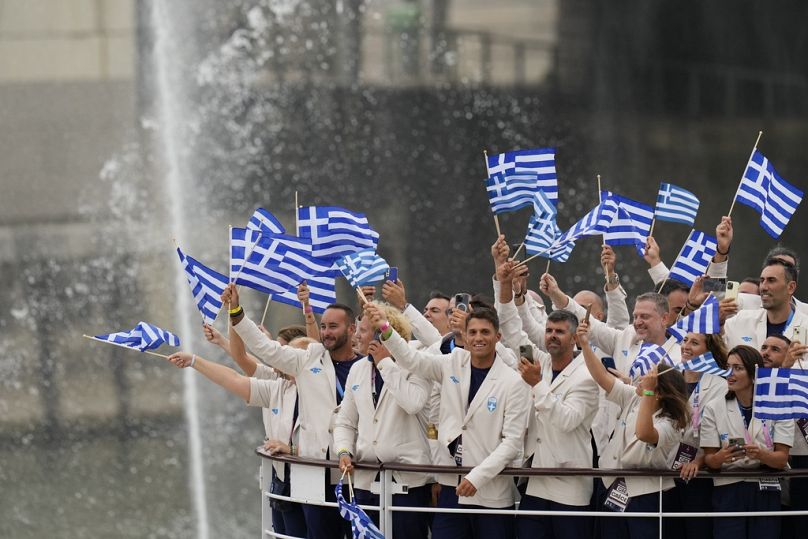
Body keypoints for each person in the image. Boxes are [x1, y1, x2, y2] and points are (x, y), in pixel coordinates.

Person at [365, 302, 529, 539]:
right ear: (464, 334)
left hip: (492, 492)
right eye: (472, 332)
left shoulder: (513, 381)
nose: (478, 338)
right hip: (452, 488)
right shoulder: (452, 361)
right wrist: (384, 327)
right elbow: (412, 360)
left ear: (497, 336)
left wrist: (476, 477)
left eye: (485, 332)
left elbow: (511, 442)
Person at [223, 283, 359, 539]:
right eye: (324, 326)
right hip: (315, 471)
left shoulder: (365, 366)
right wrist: (237, 312)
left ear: (351, 329)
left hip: (356, 470)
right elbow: (266, 349)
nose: (327, 332)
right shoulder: (308, 359)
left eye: (334, 326)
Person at [165, 335, 314, 538]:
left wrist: (294, 450)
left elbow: (336, 441)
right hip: (284, 482)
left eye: (290, 354)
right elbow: (235, 379)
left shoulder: (327, 392)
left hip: (314, 487)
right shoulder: (281, 387)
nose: (283, 358)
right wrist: (193, 361)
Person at [498, 261, 599, 539]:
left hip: (571, 488)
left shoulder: (588, 375)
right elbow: (510, 329)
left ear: (574, 338)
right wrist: (505, 284)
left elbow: (566, 420)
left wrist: (537, 384)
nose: (552, 336)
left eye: (559, 332)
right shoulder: (539, 361)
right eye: (549, 331)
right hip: (536, 482)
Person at [578, 320, 689, 539]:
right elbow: (602, 377)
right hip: (614, 484)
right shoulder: (635, 397)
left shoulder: (672, 422)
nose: (641, 377)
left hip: (646, 494)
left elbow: (644, 433)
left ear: (661, 392)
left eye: (648, 377)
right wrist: (584, 346)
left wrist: (647, 393)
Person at [334, 302, 432, 538]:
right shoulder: (357, 369)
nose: (356, 336)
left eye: (363, 330)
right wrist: (344, 451)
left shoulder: (417, 365)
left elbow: (412, 403)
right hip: (367, 480)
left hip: (408, 483)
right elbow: (345, 421)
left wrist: (385, 363)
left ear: (382, 335)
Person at [701, 345, 793, 539]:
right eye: (728, 367)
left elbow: (781, 458)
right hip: (728, 488)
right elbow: (709, 460)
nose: (730, 374)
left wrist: (761, 454)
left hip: (766, 488)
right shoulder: (713, 407)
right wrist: (720, 457)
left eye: (738, 368)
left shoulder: (779, 404)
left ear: (754, 374)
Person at [542, 273, 680, 375]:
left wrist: (630, 386)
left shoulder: (679, 356)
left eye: (645, 317)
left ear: (664, 318)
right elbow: (584, 317)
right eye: (635, 316)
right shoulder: (624, 338)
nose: (638, 322)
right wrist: (555, 293)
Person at [662, 332, 729, 539]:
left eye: (694, 343)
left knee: (697, 530)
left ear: (709, 352)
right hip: (665, 469)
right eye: (685, 341)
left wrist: (700, 460)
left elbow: (720, 431)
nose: (686, 346)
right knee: (670, 531)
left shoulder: (720, 385)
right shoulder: (669, 378)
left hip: (699, 473)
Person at [723, 258, 808, 349]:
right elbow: (717, 345)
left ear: (791, 287)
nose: (763, 287)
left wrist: (787, 363)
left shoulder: (805, 326)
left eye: (771, 280)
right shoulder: (742, 320)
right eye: (762, 280)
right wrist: (719, 321)